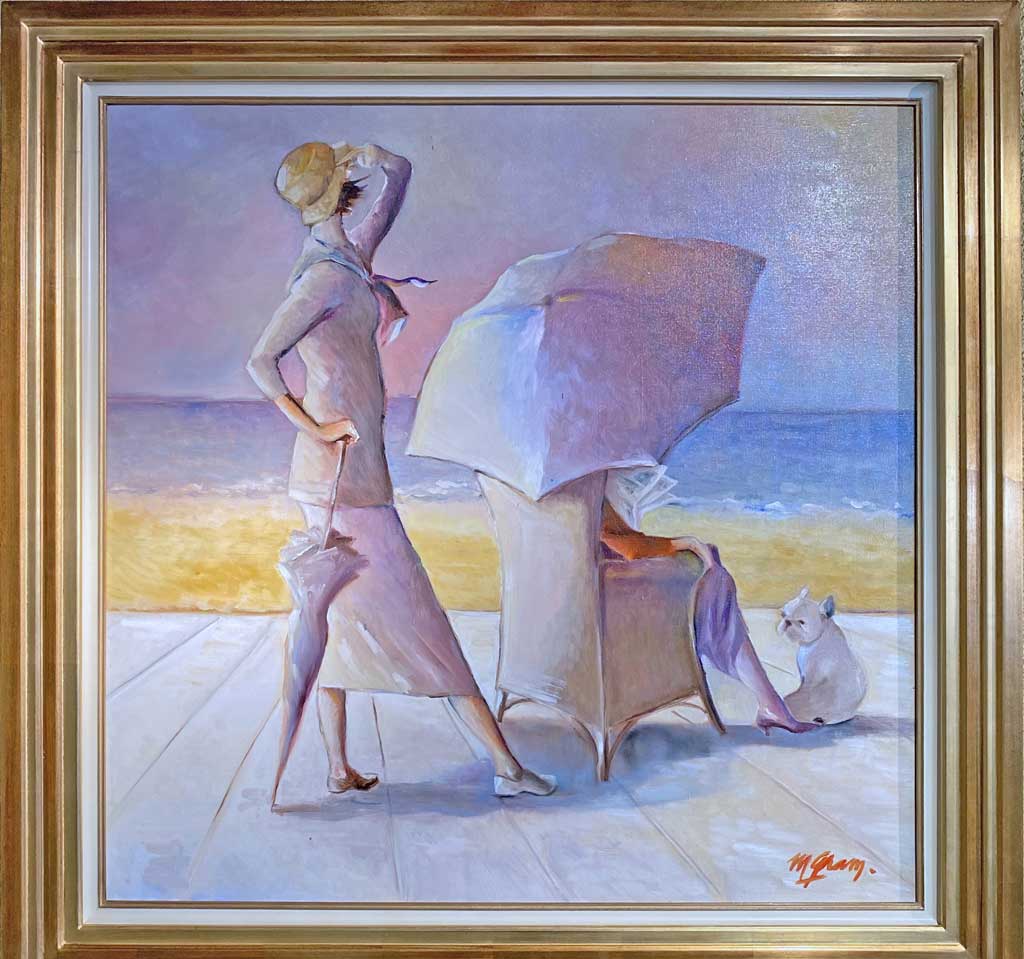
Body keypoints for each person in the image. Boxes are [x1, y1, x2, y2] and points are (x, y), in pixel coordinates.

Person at [247, 140, 556, 798]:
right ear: (340, 189)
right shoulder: (323, 278)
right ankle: (506, 768)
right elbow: (260, 361)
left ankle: (338, 767)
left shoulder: (347, 260)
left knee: (334, 616)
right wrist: (316, 426)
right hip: (342, 479)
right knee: (422, 620)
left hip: (350, 474)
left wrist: (375, 154)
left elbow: (401, 175)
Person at [599, 502, 818, 735]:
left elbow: (619, 541)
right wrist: (682, 543)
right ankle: (770, 703)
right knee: (712, 572)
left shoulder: (578, 496)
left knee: (711, 574)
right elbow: (627, 547)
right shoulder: (586, 492)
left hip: (607, 607)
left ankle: (770, 703)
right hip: (620, 606)